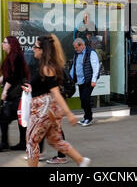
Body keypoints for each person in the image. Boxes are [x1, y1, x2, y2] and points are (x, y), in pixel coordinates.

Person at [22, 34, 91, 167]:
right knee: (55, 140)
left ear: (43, 50)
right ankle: (81, 161)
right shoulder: (46, 66)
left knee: (31, 142)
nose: (33, 48)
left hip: (43, 109)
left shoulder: (47, 67)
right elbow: (47, 88)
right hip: (49, 108)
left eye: (35, 46)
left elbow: (55, 92)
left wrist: (69, 113)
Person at [0, 36, 30, 152]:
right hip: (17, 94)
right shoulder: (12, 57)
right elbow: (6, 76)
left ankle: (5, 142)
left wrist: (5, 91)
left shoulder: (16, 58)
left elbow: (12, 77)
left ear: (11, 44)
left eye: (5, 42)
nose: (2, 44)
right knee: (19, 117)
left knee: (3, 115)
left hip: (18, 94)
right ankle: (21, 143)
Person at [70, 38, 99, 127]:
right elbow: (74, 66)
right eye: (74, 48)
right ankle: (86, 117)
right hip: (80, 81)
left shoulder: (91, 52)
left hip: (88, 80)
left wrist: (94, 80)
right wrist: (71, 78)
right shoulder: (76, 54)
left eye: (76, 47)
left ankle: (89, 118)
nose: (75, 49)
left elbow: (96, 67)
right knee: (82, 99)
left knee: (85, 98)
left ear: (82, 45)